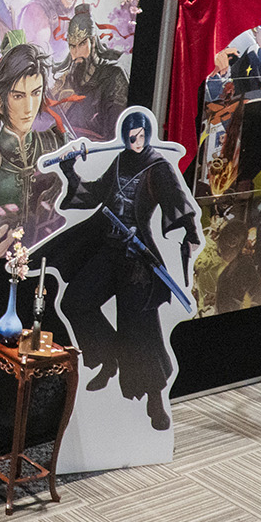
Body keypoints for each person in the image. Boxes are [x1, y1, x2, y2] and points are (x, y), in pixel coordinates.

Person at [42, 110, 198, 430]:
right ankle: (108, 356)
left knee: (140, 327)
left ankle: (155, 398)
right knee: (75, 302)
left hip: (137, 259)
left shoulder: (157, 167)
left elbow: (177, 202)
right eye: (130, 136)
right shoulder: (119, 161)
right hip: (109, 249)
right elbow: (94, 196)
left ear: (147, 134)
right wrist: (70, 170)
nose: (135, 142)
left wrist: (190, 233)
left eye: (140, 136)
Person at [0, 38, 66, 261]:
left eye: (36, 93)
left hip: (45, 264)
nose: (29, 107)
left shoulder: (56, 144)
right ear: (0, 102)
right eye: (18, 96)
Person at [49, 3, 128, 142]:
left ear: (93, 41)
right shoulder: (66, 80)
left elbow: (117, 134)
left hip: (98, 151)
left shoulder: (114, 76)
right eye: (72, 46)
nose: (77, 53)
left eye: (82, 44)